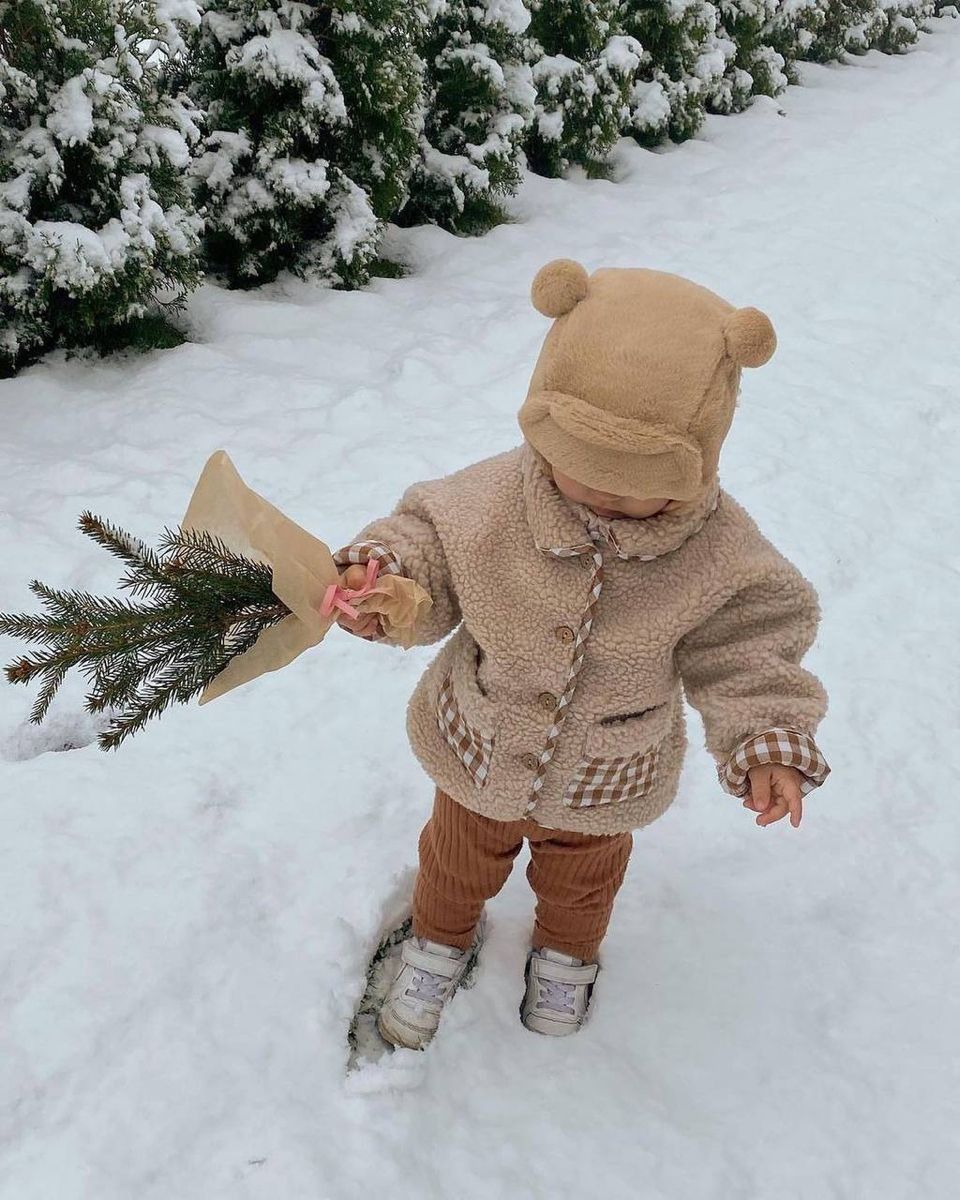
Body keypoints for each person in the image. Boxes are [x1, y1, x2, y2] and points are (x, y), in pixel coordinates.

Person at [331, 259, 830, 1049]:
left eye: (640, 490)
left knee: (583, 883)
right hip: (480, 745)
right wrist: (389, 582)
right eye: (582, 472)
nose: (603, 499)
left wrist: (766, 737)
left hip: (607, 774)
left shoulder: (721, 554)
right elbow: (428, 542)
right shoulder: (492, 498)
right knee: (455, 862)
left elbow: (749, 648)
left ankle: (566, 958)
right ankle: (439, 943)